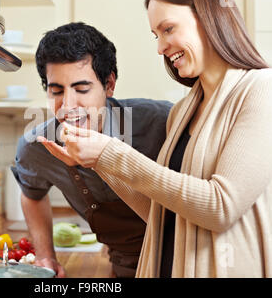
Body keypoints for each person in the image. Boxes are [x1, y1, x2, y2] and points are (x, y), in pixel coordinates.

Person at [40, 0, 272, 277]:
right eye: (156, 35)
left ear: (208, 17)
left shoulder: (266, 89)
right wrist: (99, 162)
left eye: (168, 29)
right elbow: (162, 214)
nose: (161, 47)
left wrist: (111, 152)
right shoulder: (182, 112)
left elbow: (220, 207)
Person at [11, 22, 172, 278]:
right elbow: (32, 193)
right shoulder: (38, 147)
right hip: (126, 265)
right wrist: (45, 256)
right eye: (56, 90)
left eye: (82, 88)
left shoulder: (162, 123)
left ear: (109, 85)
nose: (68, 105)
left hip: (184, 258)